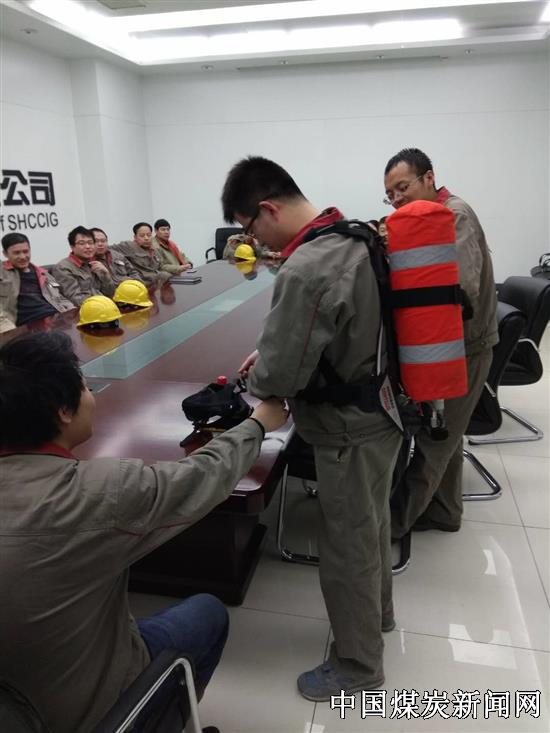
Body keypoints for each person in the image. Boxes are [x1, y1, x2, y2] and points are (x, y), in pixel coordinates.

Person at [0, 330, 288, 733]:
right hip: (86, 714)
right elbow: (201, 477)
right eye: (83, 386)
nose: (90, 395)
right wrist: (258, 424)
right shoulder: (96, 493)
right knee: (207, 613)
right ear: (63, 410)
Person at [222, 156, 402, 701]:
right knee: (370, 527)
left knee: (346, 545)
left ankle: (358, 663)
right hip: (383, 410)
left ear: (268, 209)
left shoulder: (307, 266)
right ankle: (378, 618)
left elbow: (281, 376)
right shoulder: (352, 234)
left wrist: (263, 373)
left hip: (347, 429)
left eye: (249, 227)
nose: (253, 240)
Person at [383, 147, 498, 537]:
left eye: (403, 188)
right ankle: (446, 512)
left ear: (429, 178)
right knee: (446, 433)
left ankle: (393, 525)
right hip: (448, 346)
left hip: (464, 347)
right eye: (390, 195)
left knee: (436, 440)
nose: (397, 199)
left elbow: (457, 290)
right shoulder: (426, 222)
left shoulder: (453, 216)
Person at [0, 232, 74, 332]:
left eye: (26, 251)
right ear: (5, 253)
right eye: (16, 253)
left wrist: (73, 313)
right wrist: (10, 332)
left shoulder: (43, 273)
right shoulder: (2, 274)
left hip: (56, 320)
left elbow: (60, 297)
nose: (23, 256)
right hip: (29, 326)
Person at [53, 226, 115, 306]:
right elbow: (74, 298)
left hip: (105, 306)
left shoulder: (95, 264)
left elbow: (110, 294)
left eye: (90, 243)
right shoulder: (63, 268)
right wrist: (101, 303)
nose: (88, 247)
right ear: (72, 247)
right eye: (82, 243)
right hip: (88, 309)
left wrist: (106, 275)